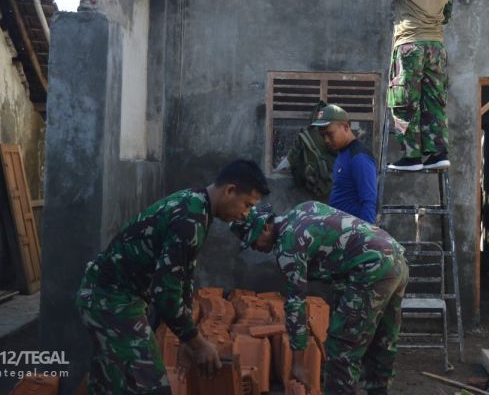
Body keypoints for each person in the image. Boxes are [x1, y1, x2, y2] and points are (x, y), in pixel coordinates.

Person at [75, 160, 270, 394]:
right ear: (229, 191)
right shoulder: (190, 218)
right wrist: (195, 342)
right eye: (247, 205)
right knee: (151, 387)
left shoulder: (197, 204)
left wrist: (187, 337)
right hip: (111, 302)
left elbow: (183, 277)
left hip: (110, 297)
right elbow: (165, 291)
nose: (244, 215)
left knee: (110, 385)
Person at [232, 202, 408, 395]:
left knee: (341, 348)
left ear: (266, 226)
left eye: (254, 239)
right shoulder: (302, 210)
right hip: (395, 257)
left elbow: (295, 303)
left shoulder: (288, 246)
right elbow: (340, 258)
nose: (255, 247)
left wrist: (298, 364)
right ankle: (379, 391)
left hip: (371, 268)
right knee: (383, 340)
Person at [364, 0, 453, 171]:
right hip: (436, 48)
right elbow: (446, 15)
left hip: (410, 46)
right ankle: (437, 153)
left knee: (405, 100)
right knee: (434, 100)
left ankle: (412, 156)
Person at [312, 104, 378, 223]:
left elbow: (369, 202)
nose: (326, 140)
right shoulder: (343, 153)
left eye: (330, 134)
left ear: (346, 127)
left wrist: (366, 237)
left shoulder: (359, 157)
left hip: (355, 233)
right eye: (323, 135)